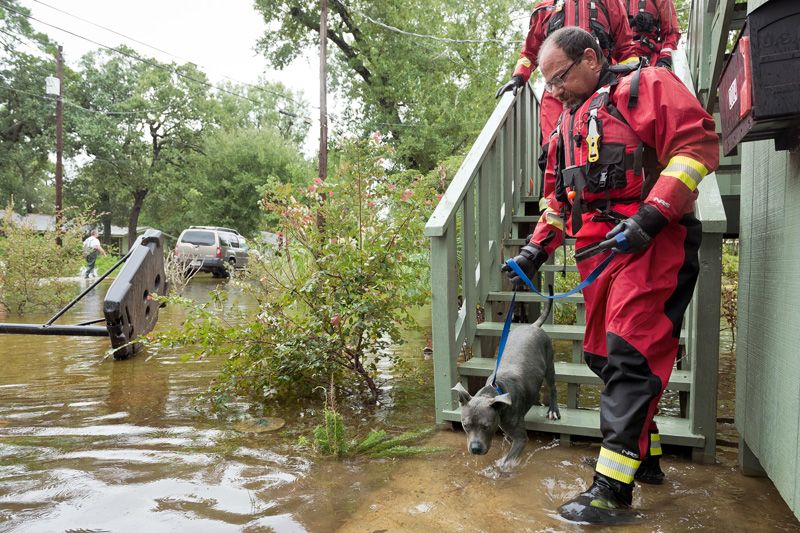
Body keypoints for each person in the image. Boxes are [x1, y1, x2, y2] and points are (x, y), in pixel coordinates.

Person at [501, 27, 718, 524]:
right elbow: (559, 200)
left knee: (630, 356)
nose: (552, 91)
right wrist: (535, 251)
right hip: (596, 255)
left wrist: (652, 215)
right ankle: (646, 461)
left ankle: (611, 491)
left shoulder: (644, 88)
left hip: (652, 246)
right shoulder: (567, 125)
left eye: (559, 78)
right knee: (604, 357)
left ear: (592, 59)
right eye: (547, 83)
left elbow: (696, 146)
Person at [496, 0, 640, 171]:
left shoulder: (610, 3)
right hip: (557, 96)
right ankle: (553, 196)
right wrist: (518, 76)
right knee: (553, 151)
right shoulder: (544, 9)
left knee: (602, 145)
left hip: (601, 90)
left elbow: (626, 48)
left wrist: (633, 82)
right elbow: (529, 52)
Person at [624, 0, 680, 69]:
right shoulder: (612, 3)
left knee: (654, 78)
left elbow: (671, 33)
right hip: (620, 59)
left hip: (650, 59)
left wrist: (665, 59)